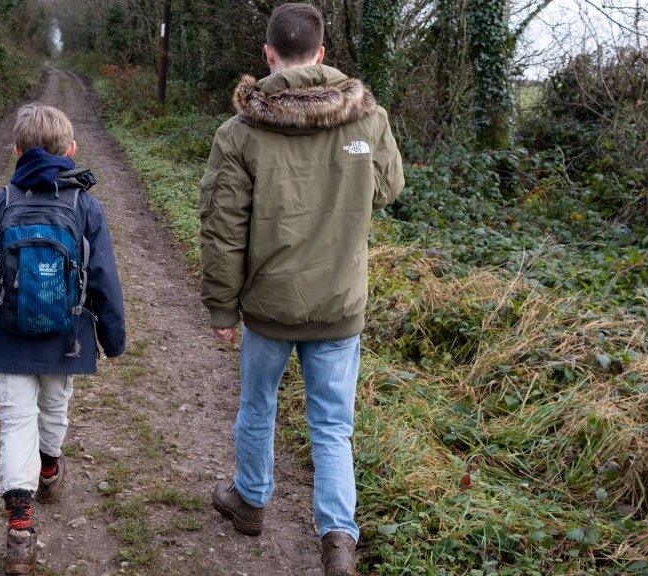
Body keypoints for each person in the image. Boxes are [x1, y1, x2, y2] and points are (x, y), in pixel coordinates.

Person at [199, 4, 404, 575]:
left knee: (258, 405)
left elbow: (222, 226)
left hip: (268, 305)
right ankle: (337, 539)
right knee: (333, 425)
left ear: (269, 55)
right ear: (320, 54)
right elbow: (387, 189)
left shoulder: (239, 133)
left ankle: (250, 501)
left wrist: (221, 304)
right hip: (340, 302)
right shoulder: (369, 121)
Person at [0, 104, 126, 575]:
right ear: (70, 151)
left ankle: (20, 527)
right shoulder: (85, 207)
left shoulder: (0, 203)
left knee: (14, 422)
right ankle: (49, 468)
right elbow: (104, 279)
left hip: (6, 337)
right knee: (54, 406)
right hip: (65, 339)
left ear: (16, 151)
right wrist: (113, 339)